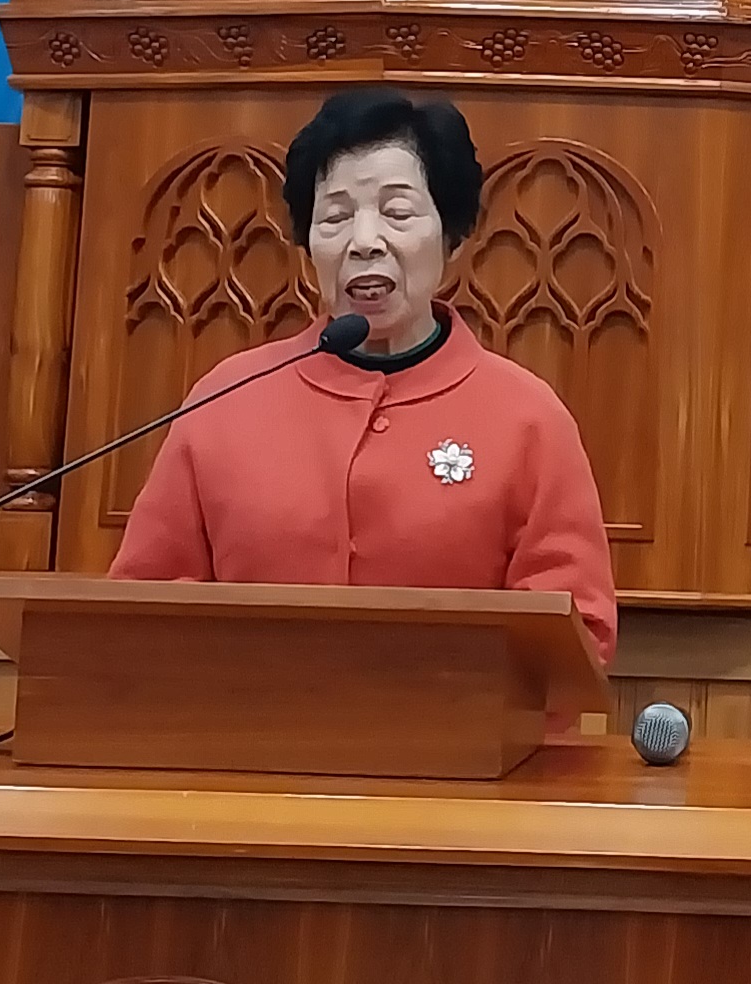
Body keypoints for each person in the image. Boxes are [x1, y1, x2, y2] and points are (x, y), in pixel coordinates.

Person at [110, 86, 619, 662]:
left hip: (453, 721)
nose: (365, 242)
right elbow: (142, 608)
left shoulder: (528, 417)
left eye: (397, 213)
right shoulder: (225, 399)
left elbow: (578, 633)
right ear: (307, 244)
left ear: (452, 238)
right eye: (335, 217)